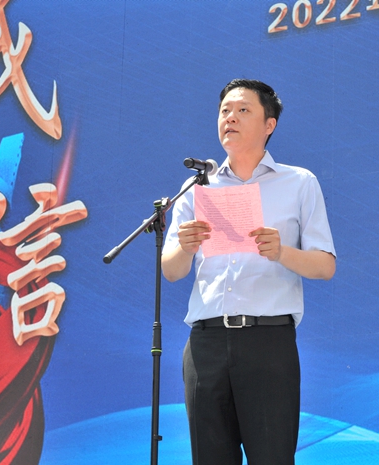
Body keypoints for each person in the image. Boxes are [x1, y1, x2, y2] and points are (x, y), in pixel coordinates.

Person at [161, 79, 336, 465]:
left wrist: (282, 252)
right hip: (205, 343)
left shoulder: (298, 182)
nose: (231, 118)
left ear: (269, 124)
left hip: (267, 342)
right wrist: (185, 246)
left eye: (243, 110)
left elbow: (325, 265)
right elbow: (171, 271)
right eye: (225, 111)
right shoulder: (196, 188)